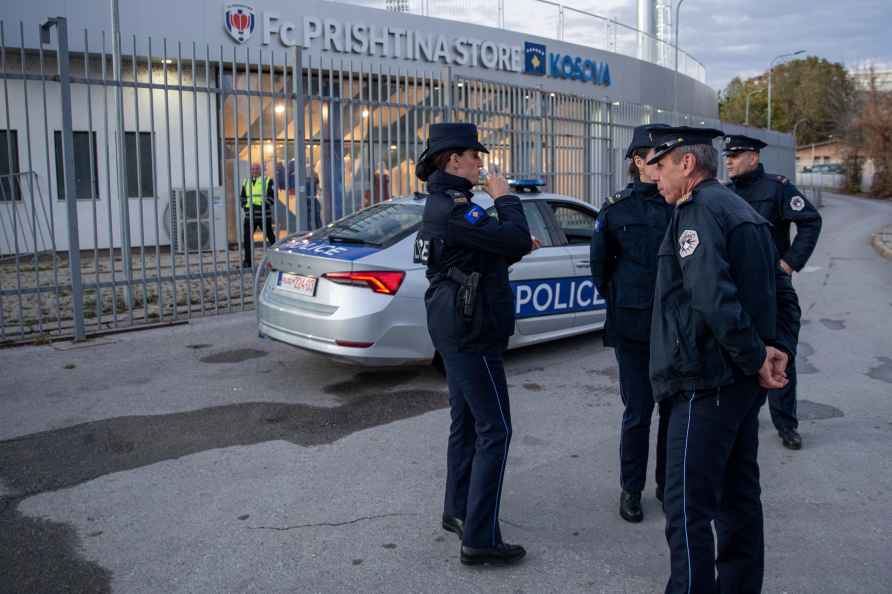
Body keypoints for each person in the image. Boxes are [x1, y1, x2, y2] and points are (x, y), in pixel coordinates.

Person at [646, 126, 801, 594]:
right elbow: (783, 294)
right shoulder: (742, 210)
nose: (655, 176)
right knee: (738, 500)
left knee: (688, 508)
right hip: (736, 385)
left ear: (687, 165)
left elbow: (713, 298)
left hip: (704, 382)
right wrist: (776, 351)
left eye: (661, 165)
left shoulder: (699, 212)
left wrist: (759, 356)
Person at [415, 122, 533, 566]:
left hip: (454, 321)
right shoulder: (456, 206)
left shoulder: (449, 204)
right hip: (471, 327)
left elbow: (493, 248)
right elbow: (514, 237)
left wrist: (507, 239)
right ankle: (480, 539)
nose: (481, 163)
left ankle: (457, 510)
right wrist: (504, 196)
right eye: (473, 156)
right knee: (495, 429)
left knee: (465, 421)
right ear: (452, 161)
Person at [590, 123, 673, 523]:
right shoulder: (616, 208)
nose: (665, 165)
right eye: (658, 158)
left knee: (674, 411)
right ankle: (631, 490)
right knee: (639, 412)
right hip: (633, 328)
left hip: (676, 328)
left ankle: (668, 486)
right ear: (639, 162)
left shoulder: (682, 204)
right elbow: (600, 268)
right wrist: (629, 300)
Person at [724, 134, 822, 450]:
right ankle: (740, 417)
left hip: (772, 285)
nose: (728, 160)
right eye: (727, 155)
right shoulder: (724, 193)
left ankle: (786, 423)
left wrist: (789, 263)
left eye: (735, 155)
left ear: (753, 157)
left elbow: (809, 221)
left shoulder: (777, 188)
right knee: (739, 350)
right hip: (737, 286)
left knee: (780, 351)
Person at [241, 162, 276, 268]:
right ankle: (248, 261)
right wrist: (245, 206)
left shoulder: (268, 180)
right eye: (253, 169)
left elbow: (272, 197)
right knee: (247, 239)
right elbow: (242, 197)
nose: (255, 171)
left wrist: (262, 206)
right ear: (250, 170)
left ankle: (277, 260)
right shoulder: (246, 181)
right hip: (249, 216)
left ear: (260, 170)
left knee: (271, 238)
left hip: (264, 216)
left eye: (257, 169)